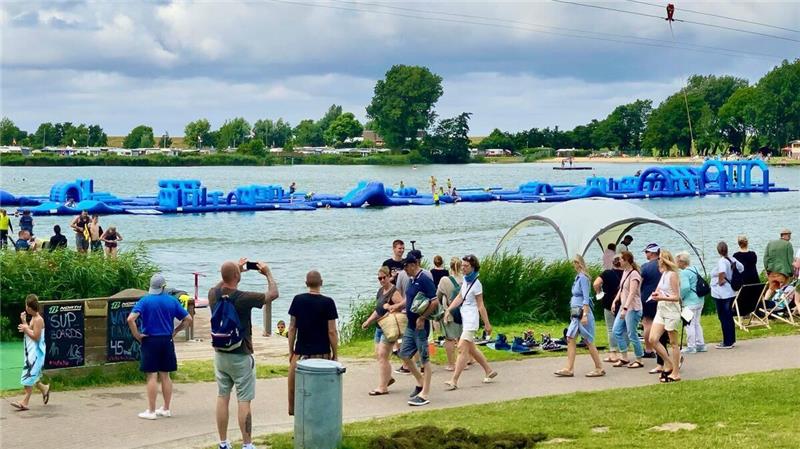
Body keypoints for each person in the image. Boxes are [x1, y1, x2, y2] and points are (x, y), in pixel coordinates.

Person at [208, 259, 279, 449]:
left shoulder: (213, 294)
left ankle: (223, 442)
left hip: (220, 354)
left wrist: (235, 270)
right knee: (244, 400)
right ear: (237, 276)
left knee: (222, 396)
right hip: (241, 354)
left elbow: (220, 284)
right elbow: (273, 294)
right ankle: (247, 444)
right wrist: (268, 273)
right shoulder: (243, 298)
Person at [126, 274, 193, 420]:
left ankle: (151, 410)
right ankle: (166, 408)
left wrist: (137, 335)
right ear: (164, 287)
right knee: (165, 375)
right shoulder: (172, 300)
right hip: (167, 340)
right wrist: (175, 331)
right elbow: (188, 319)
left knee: (151, 375)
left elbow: (131, 319)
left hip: (150, 339)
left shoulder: (145, 301)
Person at [443, 254, 497, 390]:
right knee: (471, 349)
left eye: (466, 266)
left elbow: (481, 305)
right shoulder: (466, 281)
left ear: (473, 267)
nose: (463, 268)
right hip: (465, 318)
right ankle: (489, 371)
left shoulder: (477, 284)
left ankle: (454, 380)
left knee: (461, 348)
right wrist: (449, 309)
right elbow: (460, 297)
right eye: (462, 266)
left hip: (471, 320)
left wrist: (487, 324)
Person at [287, 270, 338, 414]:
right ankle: (320, 415)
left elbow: (292, 328)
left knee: (295, 389)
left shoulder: (298, 300)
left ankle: (296, 413)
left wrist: (291, 351)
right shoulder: (328, 302)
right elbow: (332, 331)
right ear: (321, 283)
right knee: (321, 390)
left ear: (306, 283)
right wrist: (335, 353)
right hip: (322, 353)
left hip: (301, 353)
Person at [399, 252, 439, 406]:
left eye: (406, 267)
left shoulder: (424, 279)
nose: (405, 270)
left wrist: (423, 318)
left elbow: (434, 302)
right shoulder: (412, 280)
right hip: (410, 325)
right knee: (404, 354)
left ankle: (425, 393)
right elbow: (409, 299)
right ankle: (420, 381)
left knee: (424, 359)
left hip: (421, 326)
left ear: (414, 265)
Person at [555, 255, 605, 378]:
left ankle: (599, 367)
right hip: (575, 314)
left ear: (579, 263)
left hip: (582, 313)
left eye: (575, 262)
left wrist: (585, 315)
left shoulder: (583, 278)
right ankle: (569, 368)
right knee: (570, 338)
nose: (573, 265)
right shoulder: (577, 278)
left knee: (588, 340)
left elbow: (586, 298)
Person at [361, 266, 404, 395]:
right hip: (379, 326)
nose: (382, 280)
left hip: (389, 327)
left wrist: (390, 307)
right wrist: (368, 321)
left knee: (383, 355)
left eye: (384, 277)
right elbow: (378, 310)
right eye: (379, 278)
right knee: (378, 355)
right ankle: (388, 378)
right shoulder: (380, 291)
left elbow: (402, 307)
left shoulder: (394, 292)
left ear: (389, 277)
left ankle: (382, 387)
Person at [10, 295, 50, 411]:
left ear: (29, 307)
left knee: (28, 375)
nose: (25, 308)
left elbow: (36, 337)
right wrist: (24, 322)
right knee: (33, 375)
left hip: (36, 354)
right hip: (31, 352)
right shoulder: (33, 318)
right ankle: (44, 389)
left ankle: (25, 402)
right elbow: (30, 331)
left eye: (26, 305)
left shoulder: (38, 320)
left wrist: (26, 329)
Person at [611, 251, 644, 369]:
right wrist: (615, 301)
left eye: (621, 259)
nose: (619, 261)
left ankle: (639, 359)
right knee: (616, 330)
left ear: (627, 261)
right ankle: (624, 357)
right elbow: (622, 289)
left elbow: (632, 293)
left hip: (632, 308)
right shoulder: (625, 272)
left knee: (632, 333)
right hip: (623, 306)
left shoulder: (634, 274)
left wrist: (625, 309)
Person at [711, 241, 744, 349]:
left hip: (722, 294)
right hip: (730, 292)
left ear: (718, 251)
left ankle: (727, 342)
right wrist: (731, 275)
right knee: (728, 316)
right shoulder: (732, 259)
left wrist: (720, 281)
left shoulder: (722, 261)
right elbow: (741, 268)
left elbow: (722, 272)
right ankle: (731, 339)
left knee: (723, 317)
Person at [593, 255, 622, 363]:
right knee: (624, 328)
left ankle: (613, 352)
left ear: (612, 263)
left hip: (608, 302)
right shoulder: (627, 273)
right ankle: (623, 352)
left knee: (611, 328)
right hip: (623, 303)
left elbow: (596, 283)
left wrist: (599, 292)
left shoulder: (607, 273)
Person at [437, 257, 463, 371]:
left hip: (450, 313)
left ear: (450, 266)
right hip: (464, 313)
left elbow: (438, 295)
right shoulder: (465, 279)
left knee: (450, 339)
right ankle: (465, 361)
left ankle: (451, 364)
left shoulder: (445, 280)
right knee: (463, 338)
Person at [677, 251, 706, 354]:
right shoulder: (694, 268)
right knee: (697, 323)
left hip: (689, 303)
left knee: (689, 324)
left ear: (682, 262)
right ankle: (700, 344)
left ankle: (691, 346)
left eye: (677, 261)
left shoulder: (684, 273)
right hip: (699, 300)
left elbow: (685, 287)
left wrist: (680, 297)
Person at [640, 243, 662, 361]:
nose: (646, 254)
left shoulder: (645, 267)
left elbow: (639, 283)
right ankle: (660, 347)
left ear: (652, 253)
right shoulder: (664, 265)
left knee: (647, 323)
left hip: (647, 298)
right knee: (660, 323)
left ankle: (649, 349)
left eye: (646, 252)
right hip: (662, 297)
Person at [763, 229, 795, 299]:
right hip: (783, 273)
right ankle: (780, 303)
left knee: (771, 289)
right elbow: (790, 260)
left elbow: (765, 258)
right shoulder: (788, 244)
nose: (790, 237)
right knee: (784, 289)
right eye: (789, 235)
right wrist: (792, 273)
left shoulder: (770, 243)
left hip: (771, 272)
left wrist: (767, 270)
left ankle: (764, 302)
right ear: (785, 235)